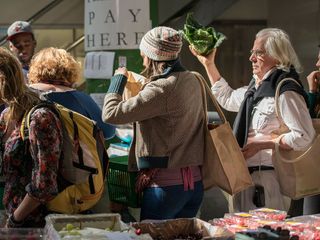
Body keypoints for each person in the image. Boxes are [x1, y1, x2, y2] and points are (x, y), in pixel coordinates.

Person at [190, 28, 315, 212]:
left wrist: (263, 144)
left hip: (268, 181)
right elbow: (228, 98)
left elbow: (305, 136)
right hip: (244, 178)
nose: (252, 58)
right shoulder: (256, 87)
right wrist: (209, 64)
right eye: (252, 52)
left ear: (277, 55)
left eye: (259, 53)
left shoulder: (285, 90)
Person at [102, 26, 205, 220]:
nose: (142, 60)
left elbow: (110, 114)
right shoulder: (192, 79)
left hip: (166, 188)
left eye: (143, 55)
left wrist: (117, 81)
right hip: (194, 184)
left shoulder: (162, 88)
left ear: (151, 56)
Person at [0, 47, 62, 227]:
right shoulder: (6, 116)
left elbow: (45, 185)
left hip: (37, 223)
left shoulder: (40, 118)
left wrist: (14, 220)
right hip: (14, 215)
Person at [28, 47, 115, 140]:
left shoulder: (25, 93)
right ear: (70, 70)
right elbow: (108, 132)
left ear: (34, 70)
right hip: (70, 153)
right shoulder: (80, 98)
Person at [303, 45, 320, 215]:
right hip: (315, 170)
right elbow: (305, 124)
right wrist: (312, 92)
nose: (317, 64)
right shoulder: (317, 94)